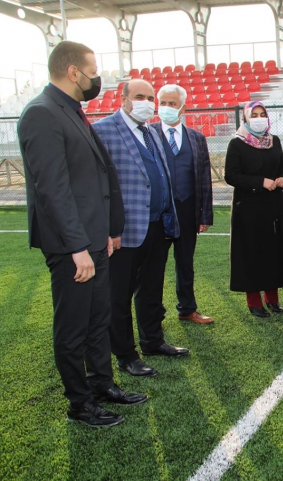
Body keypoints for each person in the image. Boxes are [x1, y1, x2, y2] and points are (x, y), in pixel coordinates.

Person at [17, 41, 146, 427]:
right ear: (73, 72)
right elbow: (52, 190)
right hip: (72, 247)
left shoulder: (72, 111)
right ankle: (79, 403)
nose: (97, 78)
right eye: (92, 70)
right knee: (73, 326)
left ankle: (102, 385)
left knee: (97, 319)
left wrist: (106, 231)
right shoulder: (41, 114)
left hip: (94, 240)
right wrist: (77, 247)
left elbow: (94, 179)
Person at [94, 79, 187, 378]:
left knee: (151, 289)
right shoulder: (104, 130)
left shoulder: (151, 132)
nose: (146, 102)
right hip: (124, 232)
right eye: (139, 96)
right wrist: (109, 228)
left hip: (158, 226)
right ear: (123, 99)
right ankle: (125, 354)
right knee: (118, 295)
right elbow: (98, 184)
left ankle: (152, 340)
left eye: (150, 97)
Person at [150, 84, 214, 325]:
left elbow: (205, 178)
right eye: (163, 103)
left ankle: (187, 308)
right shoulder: (148, 133)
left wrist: (205, 215)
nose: (166, 108)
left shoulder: (197, 138)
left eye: (172, 104)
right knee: (154, 265)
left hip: (187, 210)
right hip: (158, 213)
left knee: (185, 263)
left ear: (183, 108)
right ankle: (153, 313)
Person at [224, 101, 283, 318]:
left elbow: (282, 168)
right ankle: (254, 301)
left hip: (273, 205)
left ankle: (272, 298)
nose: (259, 118)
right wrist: (260, 181)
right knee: (251, 252)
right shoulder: (237, 143)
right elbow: (231, 176)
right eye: (255, 114)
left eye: (263, 114)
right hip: (248, 208)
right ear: (246, 118)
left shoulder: (274, 141)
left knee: (273, 250)